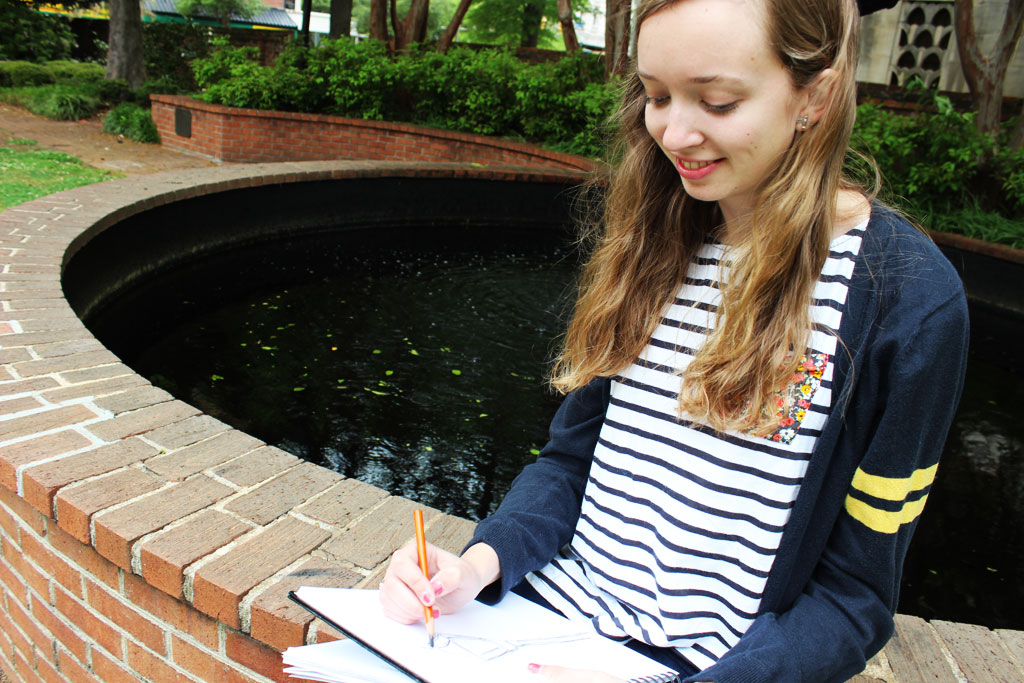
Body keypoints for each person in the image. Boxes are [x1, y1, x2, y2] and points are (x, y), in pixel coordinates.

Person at [380, 0, 970, 680]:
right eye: (656, 96)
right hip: (531, 632)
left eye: (717, 102)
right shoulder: (652, 241)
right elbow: (572, 462)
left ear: (816, 96)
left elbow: (853, 599)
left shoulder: (909, 306)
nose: (675, 133)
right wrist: (478, 566)